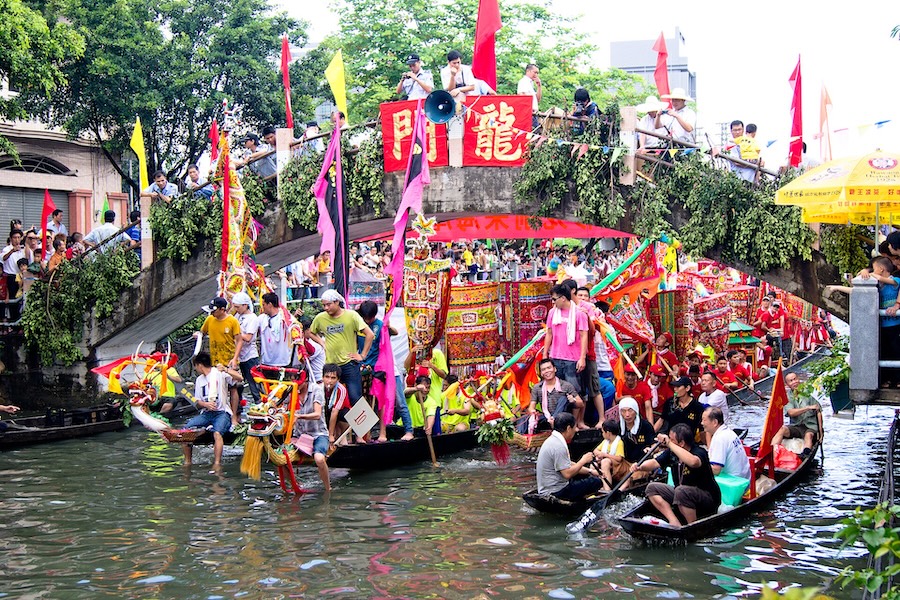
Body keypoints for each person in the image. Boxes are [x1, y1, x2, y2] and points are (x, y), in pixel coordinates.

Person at [634, 423, 721, 526]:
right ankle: (674, 521)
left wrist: (669, 443)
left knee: (681, 491)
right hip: (682, 495)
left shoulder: (699, 451)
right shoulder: (671, 453)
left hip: (707, 498)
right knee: (652, 488)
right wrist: (639, 467)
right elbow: (654, 463)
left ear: (681, 443)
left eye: (672, 440)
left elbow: (694, 462)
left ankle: (692, 526)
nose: (668, 443)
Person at [306, 289, 374, 407]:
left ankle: (365, 426)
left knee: (355, 398)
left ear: (337, 302)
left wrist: (362, 355)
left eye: (328, 304)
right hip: (331, 364)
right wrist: (322, 342)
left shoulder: (351, 315)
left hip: (349, 363)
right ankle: (334, 425)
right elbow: (311, 332)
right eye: (324, 305)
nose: (326, 308)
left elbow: (370, 334)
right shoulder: (320, 318)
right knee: (328, 399)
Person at [181, 352, 243, 470]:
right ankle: (187, 462)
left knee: (217, 433)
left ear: (199, 365)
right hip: (206, 413)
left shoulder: (219, 373)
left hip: (222, 413)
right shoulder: (199, 380)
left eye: (195, 366)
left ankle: (217, 463)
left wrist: (225, 369)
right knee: (185, 432)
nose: (195, 369)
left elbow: (240, 378)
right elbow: (198, 401)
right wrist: (205, 404)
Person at [535, 412, 603, 500]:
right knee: (596, 482)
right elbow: (567, 474)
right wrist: (583, 461)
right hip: (557, 491)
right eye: (575, 427)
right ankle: (581, 502)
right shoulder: (558, 446)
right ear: (568, 428)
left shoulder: (552, 440)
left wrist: (590, 471)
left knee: (584, 477)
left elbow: (568, 464)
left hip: (549, 488)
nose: (577, 430)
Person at [197, 296, 242, 426]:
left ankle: (233, 417)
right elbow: (202, 332)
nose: (212, 313)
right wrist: (198, 335)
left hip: (228, 359)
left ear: (223, 310)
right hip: (214, 360)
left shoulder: (232, 321)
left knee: (233, 388)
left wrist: (235, 358)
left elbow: (239, 340)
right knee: (214, 386)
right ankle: (214, 414)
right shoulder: (210, 319)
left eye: (214, 310)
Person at [542, 284, 589, 394]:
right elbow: (549, 333)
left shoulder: (579, 314)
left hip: (573, 360)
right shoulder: (552, 313)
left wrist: (582, 358)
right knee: (556, 391)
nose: (553, 302)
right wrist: (545, 354)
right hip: (555, 357)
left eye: (554, 299)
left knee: (574, 393)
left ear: (563, 298)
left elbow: (584, 336)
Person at [291, 367, 332, 491]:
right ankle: (296, 487)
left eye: (299, 382)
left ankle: (327, 488)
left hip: (318, 434)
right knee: (279, 460)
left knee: (319, 459)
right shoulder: (291, 390)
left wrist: (299, 416)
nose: (296, 385)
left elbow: (317, 414)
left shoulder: (316, 390)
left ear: (306, 380)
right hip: (299, 435)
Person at [771, 372, 821, 458]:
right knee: (782, 429)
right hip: (797, 426)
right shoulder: (787, 398)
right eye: (791, 381)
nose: (794, 382)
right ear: (787, 385)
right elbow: (791, 412)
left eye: (795, 379)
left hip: (810, 426)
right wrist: (807, 408)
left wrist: (821, 431)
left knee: (808, 435)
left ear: (798, 379)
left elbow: (819, 411)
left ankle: (805, 455)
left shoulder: (808, 393)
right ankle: (771, 451)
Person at [525, 358, 585, 431]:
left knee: (564, 399)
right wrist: (532, 411)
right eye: (543, 369)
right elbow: (531, 406)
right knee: (525, 419)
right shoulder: (537, 387)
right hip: (546, 418)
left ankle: (554, 419)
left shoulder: (566, 385)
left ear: (555, 369)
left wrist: (573, 400)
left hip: (562, 419)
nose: (547, 371)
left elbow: (581, 404)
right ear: (541, 373)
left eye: (549, 368)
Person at [617, 397, 656, 491]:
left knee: (633, 477)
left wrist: (650, 450)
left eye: (630, 411)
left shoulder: (645, 426)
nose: (627, 415)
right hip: (625, 462)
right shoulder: (619, 427)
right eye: (623, 411)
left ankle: (619, 492)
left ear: (636, 410)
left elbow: (654, 445)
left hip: (641, 465)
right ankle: (605, 490)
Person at [872, 256, 900, 385]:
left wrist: (867, 273)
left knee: (896, 351)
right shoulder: (878, 285)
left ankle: (897, 380)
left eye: (874, 269)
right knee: (885, 352)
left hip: (895, 325)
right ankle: (887, 380)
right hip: (882, 326)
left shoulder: (895, 281)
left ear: (881, 269)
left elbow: (890, 281)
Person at [229, 291, 261, 405]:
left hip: (249, 356)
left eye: (237, 307)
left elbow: (247, 337)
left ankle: (260, 405)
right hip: (237, 357)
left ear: (245, 305)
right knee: (236, 384)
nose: (236, 309)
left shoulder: (252, 318)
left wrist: (236, 333)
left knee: (254, 385)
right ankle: (238, 410)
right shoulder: (237, 316)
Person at [702, 406, 751, 480]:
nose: (701, 423)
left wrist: (699, 465)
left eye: (704, 420)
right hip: (744, 477)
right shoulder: (728, 432)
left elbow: (716, 470)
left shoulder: (720, 438)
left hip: (734, 483)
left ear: (715, 422)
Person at [257, 292, 293, 368]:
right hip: (266, 362)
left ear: (270, 304)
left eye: (263, 305)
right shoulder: (261, 318)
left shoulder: (286, 318)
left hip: (282, 362)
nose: (262, 307)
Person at [592, 419, 626, 491]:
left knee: (605, 462)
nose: (602, 434)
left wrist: (605, 455)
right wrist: (599, 455)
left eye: (603, 432)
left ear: (608, 433)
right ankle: (597, 485)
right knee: (593, 465)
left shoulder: (619, 442)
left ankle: (607, 488)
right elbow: (595, 450)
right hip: (605, 460)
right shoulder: (605, 441)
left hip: (615, 465)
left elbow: (619, 458)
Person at [322, 363, 351, 444]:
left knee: (344, 415)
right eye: (327, 377)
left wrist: (330, 435)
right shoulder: (318, 387)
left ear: (338, 380)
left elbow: (335, 412)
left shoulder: (341, 389)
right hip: (325, 412)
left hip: (339, 412)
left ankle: (340, 435)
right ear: (322, 377)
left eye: (333, 378)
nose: (329, 381)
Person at [517, 63, 541, 129]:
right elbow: (521, 96)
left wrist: (539, 86)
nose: (536, 75)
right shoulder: (523, 82)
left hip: (534, 113)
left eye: (537, 73)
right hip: (528, 113)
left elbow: (538, 100)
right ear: (528, 71)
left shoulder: (531, 84)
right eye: (535, 72)